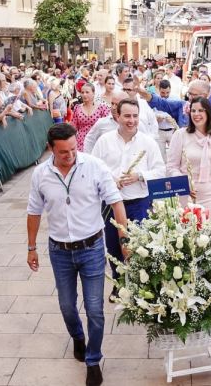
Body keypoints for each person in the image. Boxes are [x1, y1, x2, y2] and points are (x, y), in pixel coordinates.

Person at [26, 123, 127, 386]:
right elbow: (34, 211)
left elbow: (116, 201)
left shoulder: (94, 166)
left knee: (95, 309)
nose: (70, 155)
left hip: (92, 247)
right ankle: (78, 337)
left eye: (73, 148)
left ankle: (93, 360)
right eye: (63, 152)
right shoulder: (40, 174)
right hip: (60, 251)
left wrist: (124, 238)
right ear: (51, 149)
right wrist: (31, 247)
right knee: (67, 307)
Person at [91, 98, 165, 298]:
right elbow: (94, 169)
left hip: (139, 202)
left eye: (135, 116)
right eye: (127, 116)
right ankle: (119, 283)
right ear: (117, 116)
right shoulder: (104, 141)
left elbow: (160, 170)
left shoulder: (148, 142)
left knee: (140, 246)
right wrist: (111, 180)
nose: (131, 120)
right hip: (112, 204)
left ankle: (140, 285)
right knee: (114, 245)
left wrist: (139, 176)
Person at [166, 97, 211, 216]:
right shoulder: (180, 135)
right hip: (187, 195)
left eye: (200, 110)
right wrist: (184, 183)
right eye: (193, 111)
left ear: (208, 112)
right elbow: (172, 166)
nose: (196, 114)